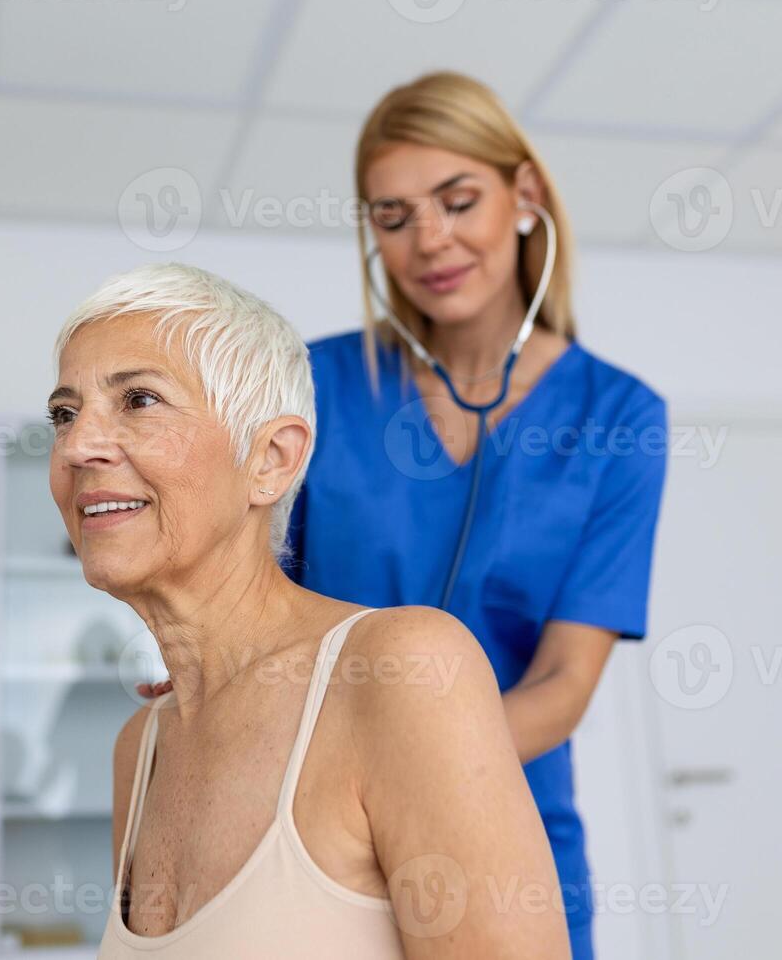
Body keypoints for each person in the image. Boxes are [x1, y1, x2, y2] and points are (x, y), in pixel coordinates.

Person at [140, 72, 670, 959]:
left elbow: (563, 683)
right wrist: (213, 683)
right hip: (303, 826)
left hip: (509, 829)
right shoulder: (314, 386)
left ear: (525, 197)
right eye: (392, 217)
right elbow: (245, 590)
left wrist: (396, 769)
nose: (430, 240)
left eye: (457, 200)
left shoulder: (620, 417)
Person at [48, 262, 571, 958]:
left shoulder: (403, 671)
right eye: (64, 413)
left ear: (270, 458)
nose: (79, 445)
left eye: (139, 400)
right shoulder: (139, 748)